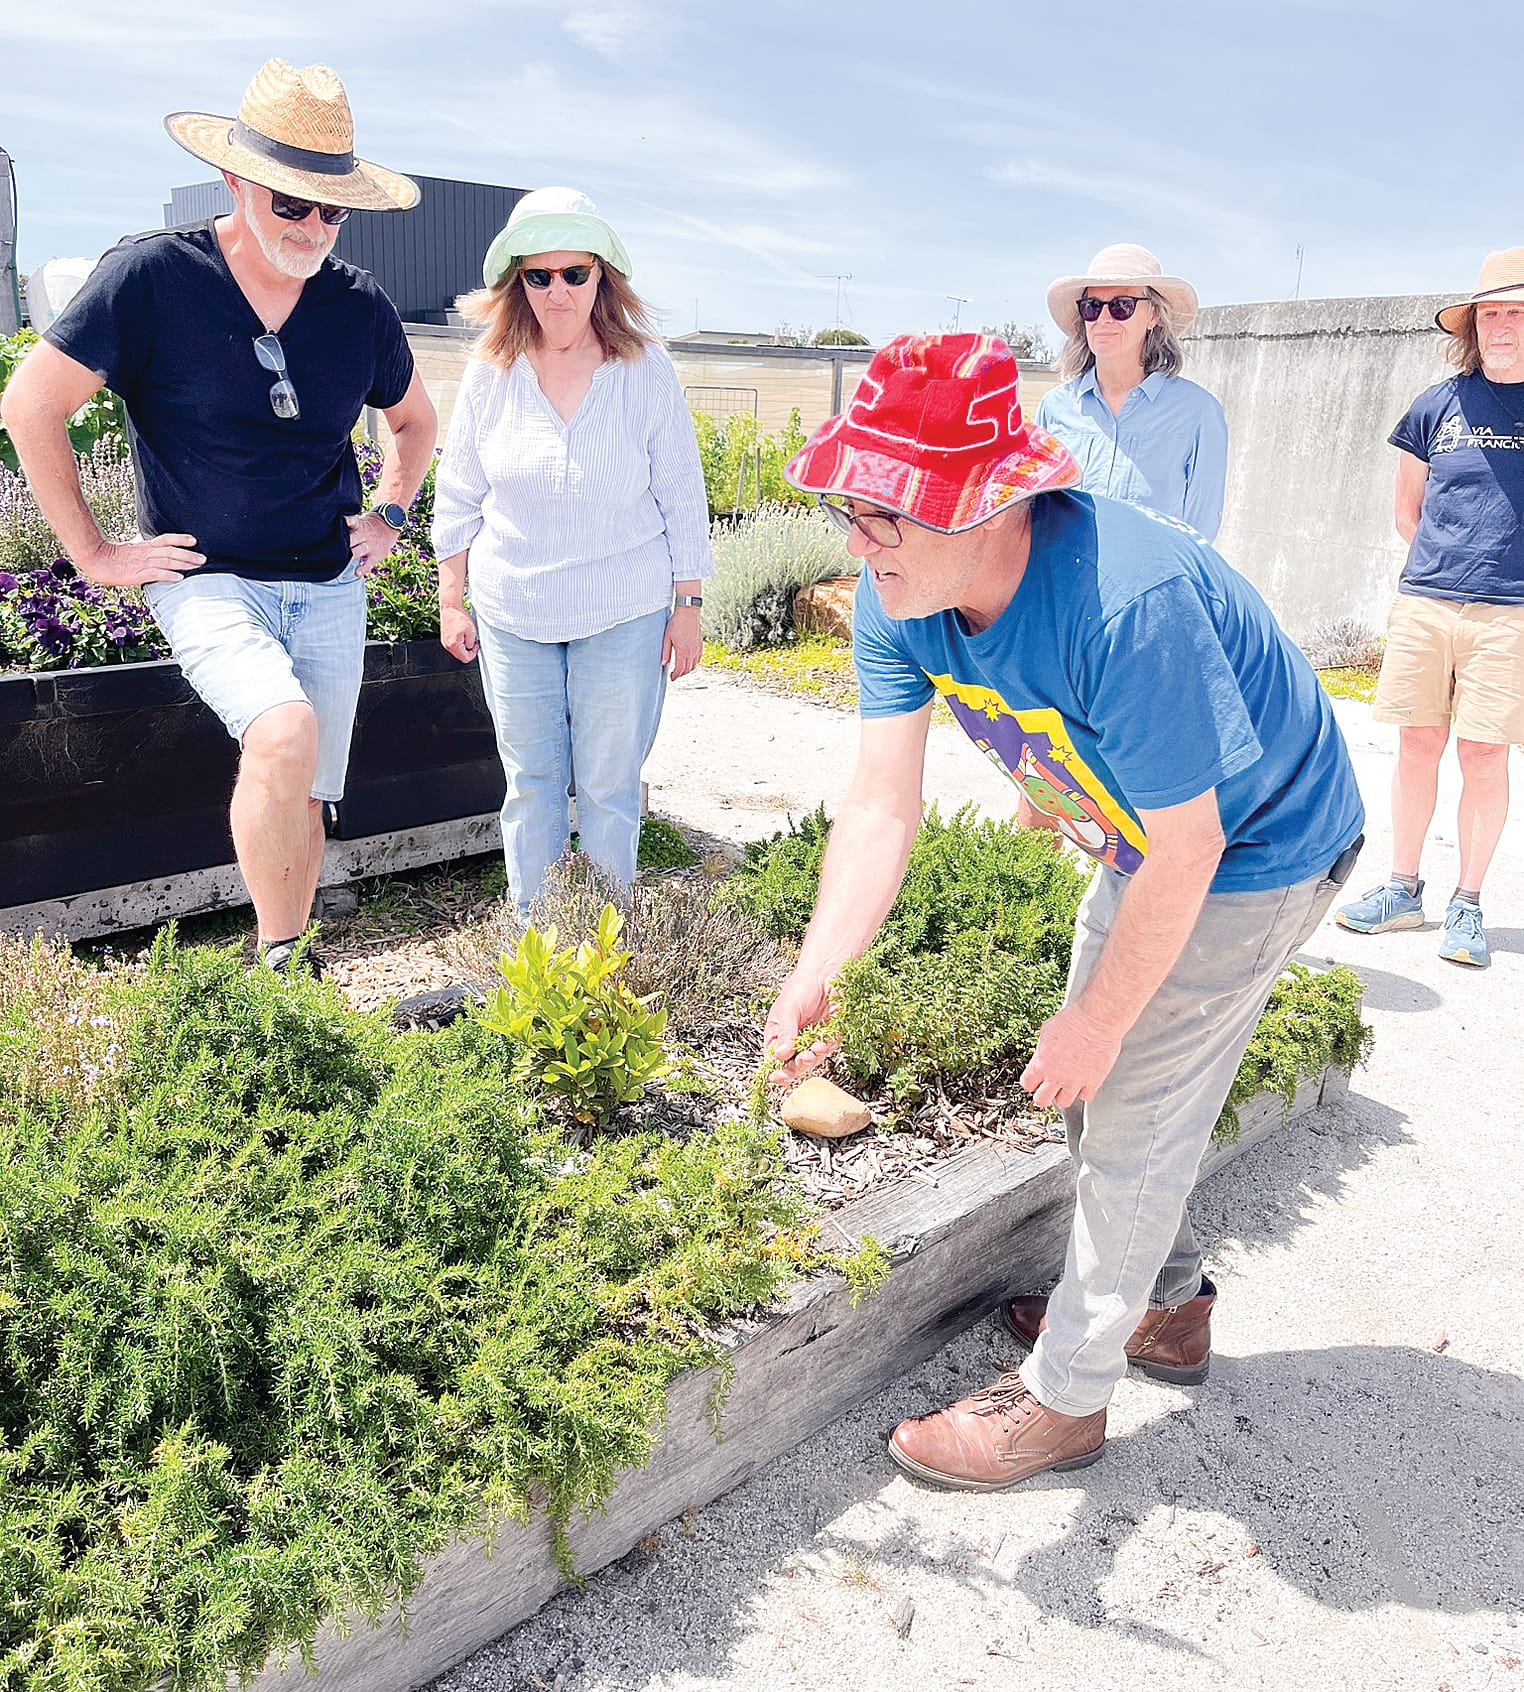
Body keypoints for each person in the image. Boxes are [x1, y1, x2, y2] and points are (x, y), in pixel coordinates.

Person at [765, 333, 1364, 1493]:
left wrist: (1095, 1020)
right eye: (853, 502)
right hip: (1148, 836)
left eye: (889, 510)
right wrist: (819, 966)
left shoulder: (1123, 600)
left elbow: (1191, 849)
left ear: (996, 502)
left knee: (1129, 1100)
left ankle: (1064, 1403)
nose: (856, 537)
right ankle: (1163, 1309)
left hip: (1258, 848)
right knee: (1100, 1107)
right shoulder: (897, 597)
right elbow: (883, 804)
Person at [0, 59, 437, 974]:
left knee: (308, 788)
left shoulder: (357, 307)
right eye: (291, 204)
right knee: (280, 732)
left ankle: (295, 957)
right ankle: (282, 963)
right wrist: (93, 553)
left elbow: (415, 421)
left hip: (327, 580)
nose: (314, 227)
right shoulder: (154, 277)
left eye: (332, 209)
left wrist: (392, 510)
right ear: (236, 181)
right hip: (210, 580)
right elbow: (30, 405)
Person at [431, 187, 711, 916]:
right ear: (517, 282)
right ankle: (540, 948)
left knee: (611, 787)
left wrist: (688, 606)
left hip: (624, 607)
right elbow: (457, 489)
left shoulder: (645, 368)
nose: (557, 292)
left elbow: (683, 493)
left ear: (601, 278)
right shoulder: (490, 371)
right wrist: (450, 599)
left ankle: (605, 949)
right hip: (513, 610)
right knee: (530, 786)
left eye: (573, 274)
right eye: (539, 275)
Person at [1334, 249, 1524, 970]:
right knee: (1417, 745)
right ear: (1473, 325)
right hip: (1425, 603)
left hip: (1511, 615)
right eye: (1491, 312)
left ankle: (1468, 903)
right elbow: (1406, 512)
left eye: (1515, 310)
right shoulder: (1435, 405)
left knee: (1484, 754)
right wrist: (1448, 575)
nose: (1502, 323)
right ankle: (1402, 890)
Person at [1036, 244, 1228, 540]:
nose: (1103, 319)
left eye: (1121, 306)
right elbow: (1037, 516)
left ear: (1154, 316)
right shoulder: (1054, 408)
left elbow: (1199, 536)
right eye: (1092, 306)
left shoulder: (1198, 414)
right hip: (1065, 584)